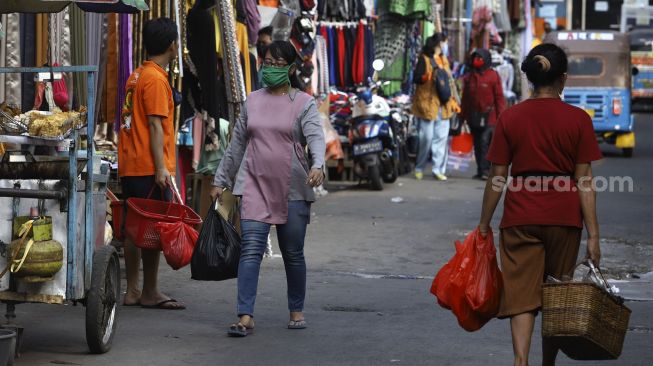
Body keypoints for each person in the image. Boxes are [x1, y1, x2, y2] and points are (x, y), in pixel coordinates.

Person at [478, 44, 603, 366]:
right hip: (564, 218)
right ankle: (548, 363)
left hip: (520, 216)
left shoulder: (511, 117)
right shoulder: (578, 120)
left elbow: (497, 176)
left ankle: (521, 361)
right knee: (555, 293)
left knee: (520, 294)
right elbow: (584, 181)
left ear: (530, 78)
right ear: (563, 79)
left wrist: (483, 224)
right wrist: (594, 235)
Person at [210, 40, 326, 337]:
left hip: (293, 188)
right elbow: (236, 146)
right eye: (267, 62)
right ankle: (245, 315)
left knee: (293, 253)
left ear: (290, 68)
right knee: (250, 250)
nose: (270, 68)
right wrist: (220, 180)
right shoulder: (252, 101)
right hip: (253, 185)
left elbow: (315, 137)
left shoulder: (303, 102)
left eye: (277, 64)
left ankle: (296, 309)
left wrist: (319, 165)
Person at [117, 18, 185, 310]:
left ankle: (133, 290)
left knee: (134, 228)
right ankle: (151, 291)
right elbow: (156, 126)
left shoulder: (137, 75)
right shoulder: (156, 79)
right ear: (172, 45)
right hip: (149, 165)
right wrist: (162, 168)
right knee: (153, 228)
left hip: (133, 163)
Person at [412, 33, 460, 181]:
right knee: (426, 137)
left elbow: (449, 81)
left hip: (444, 105)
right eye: (444, 42)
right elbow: (416, 78)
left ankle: (438, 169)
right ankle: (419, 167)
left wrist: (454, 101)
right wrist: (425, 77)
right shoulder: (424, 59)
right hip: (427, 104)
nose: (445, 45)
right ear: (438, 44)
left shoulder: (444, 59)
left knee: (441, 138)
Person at [461, 48, 506, 180]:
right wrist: (462, 116)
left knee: (485, 142)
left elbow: (499, 98)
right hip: (474, 117)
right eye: (475, 58)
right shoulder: (469, 77)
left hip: (489, 117)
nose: (477, 61)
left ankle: (486, 170)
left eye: (480, 58)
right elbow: (465, 98)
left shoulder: (493, 76)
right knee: (477, 144)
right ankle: (480, 170)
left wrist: (501, 117)